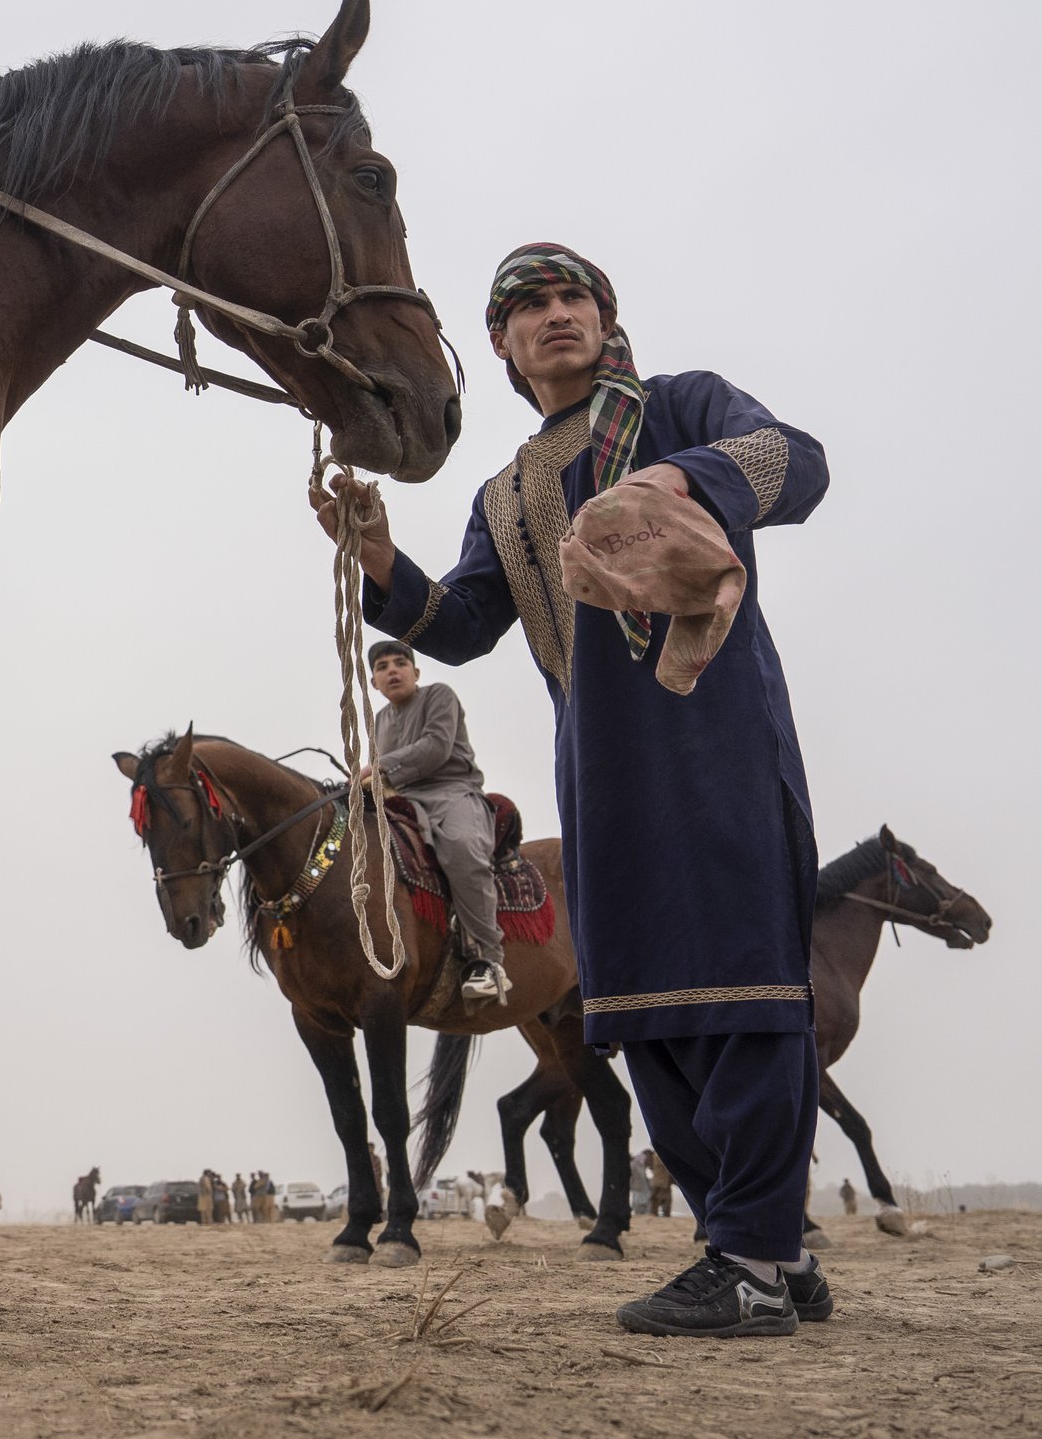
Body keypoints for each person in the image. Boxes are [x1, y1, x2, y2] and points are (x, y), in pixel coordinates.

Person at [318, 244, 829, 1339]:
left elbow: (798, 462)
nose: (556, 316)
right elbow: (456, 622)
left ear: (605, 317)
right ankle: (768, 1247)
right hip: (592, 761)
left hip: (716, 731)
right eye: (527, 306)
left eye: (573, 298)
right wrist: (375, 553)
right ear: (499, 345)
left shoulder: (681, 407)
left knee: (739, 977)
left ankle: (747, 1254)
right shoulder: (506, 493)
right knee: (634, 999)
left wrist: (686, 477)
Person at [367, 641, 506, 1001]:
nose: (393, 670)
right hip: (402, 798)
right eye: (383, 667)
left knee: (461, 847)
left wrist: (380, 766)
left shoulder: (439, 696)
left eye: (400, 663)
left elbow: (436, 747)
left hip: (452, 792)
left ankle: (488, 960)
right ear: (373, 682)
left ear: (416, 673)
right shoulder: (378, 721)